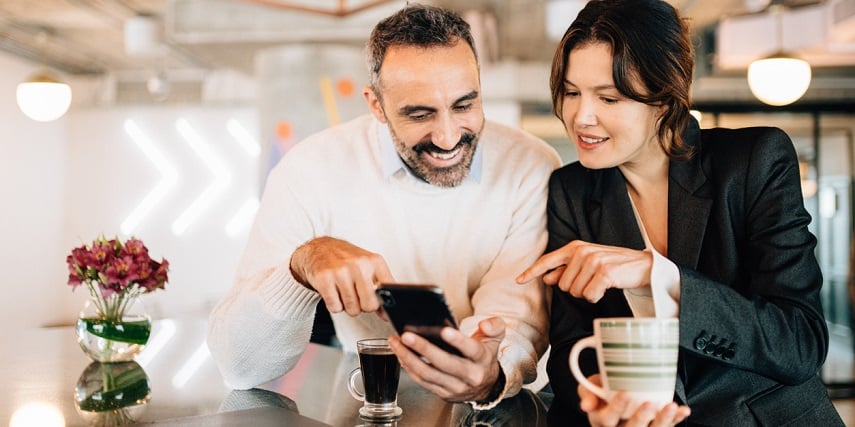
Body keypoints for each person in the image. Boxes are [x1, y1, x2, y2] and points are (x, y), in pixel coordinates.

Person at [207, 3, 561, 410]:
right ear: (375, 105)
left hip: (497, 412)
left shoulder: (531, 165)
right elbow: (240, 366)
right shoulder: (309, 169)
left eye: (464, 105)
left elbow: (515, 317)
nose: (448, 138)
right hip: (368, 404)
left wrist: (490, 369)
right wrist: (300, 267)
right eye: (420, 114)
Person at [515, 0, 844, 425]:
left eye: (609, 98)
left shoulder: (752, 162)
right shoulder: (571, 190)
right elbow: (572, 345)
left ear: (665, 99)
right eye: (572, 92)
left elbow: (799, 341)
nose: (581, 116)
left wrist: (656, 276)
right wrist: (601, 399)